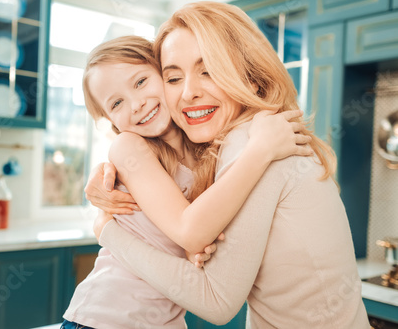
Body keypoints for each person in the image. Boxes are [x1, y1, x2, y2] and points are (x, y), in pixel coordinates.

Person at [88, 2, 370, 329]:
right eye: (174, 77)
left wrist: (107, 232)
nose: (189, 93)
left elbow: (216, 300)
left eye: (208, 69)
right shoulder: (242, 141)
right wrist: (114, 171)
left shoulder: (254, 143)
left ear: (251, 77)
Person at [61, 35, 311, 329]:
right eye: (117, 103)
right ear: (112, 121)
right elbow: (188, 230)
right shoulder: (128, 147)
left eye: (141, 82)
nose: (137, 104)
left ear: (166, 76)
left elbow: (195, 235)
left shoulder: (204, 150)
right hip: (104, 319)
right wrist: (261, 150)